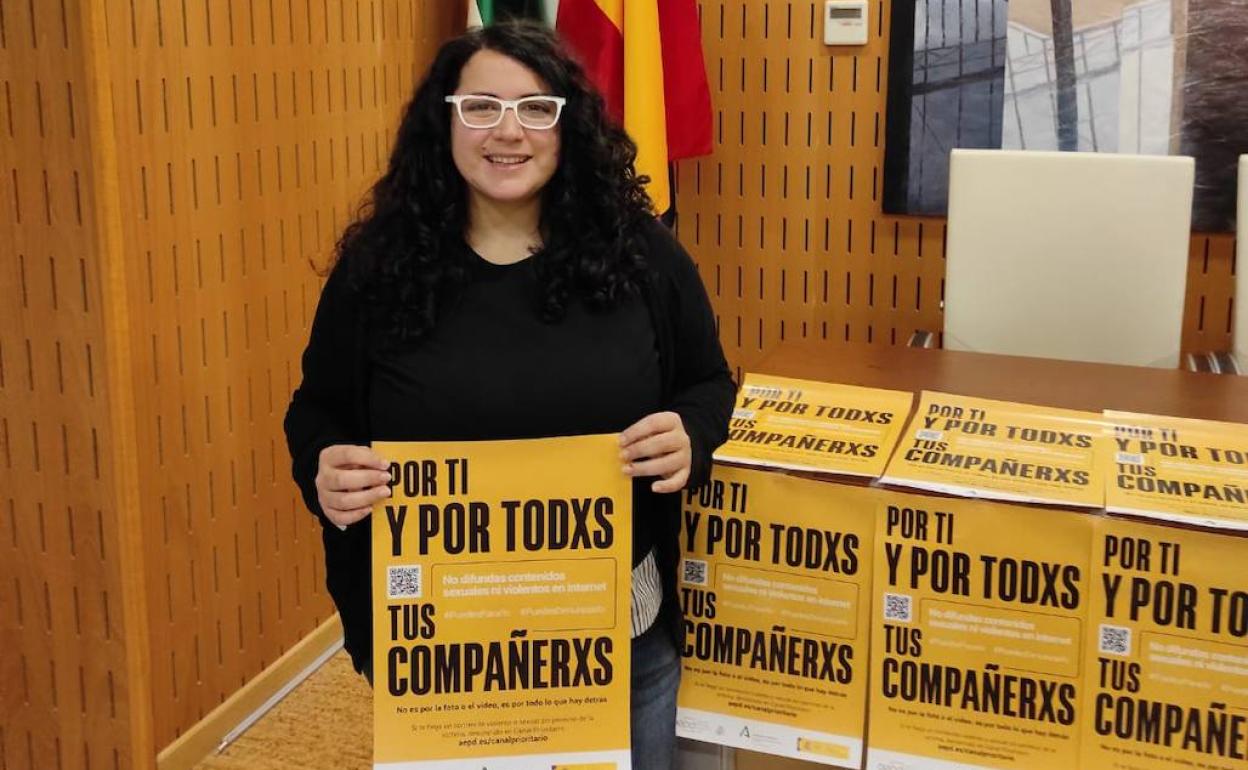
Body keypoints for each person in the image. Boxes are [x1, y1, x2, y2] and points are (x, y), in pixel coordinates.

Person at [283, 20, 735, 768]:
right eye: (481, 107)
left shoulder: (642, 253)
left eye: (535, 108)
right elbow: (317, 409)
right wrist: (322, 468)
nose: (508, 132)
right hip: (447, 652)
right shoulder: (378, 270)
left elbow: (709, 382)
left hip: (617, 639)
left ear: (568, 125)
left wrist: (690, 431)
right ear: (446, 120)